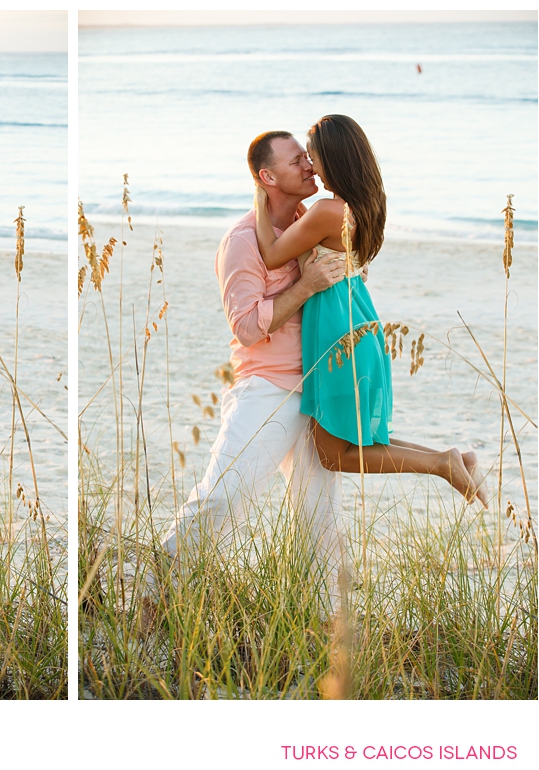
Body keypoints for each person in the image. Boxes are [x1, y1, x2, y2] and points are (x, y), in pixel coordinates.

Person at [159, 130, 350, 610]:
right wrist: (304, 287)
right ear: (268, 177)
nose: (310, 166)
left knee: (320, 519)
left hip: (319, 387)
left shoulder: (312, 223)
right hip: (268, 388)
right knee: (222, 498)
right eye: (296, 161)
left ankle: (326, 624)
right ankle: (151, 590)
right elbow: (246, 327)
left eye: (308, 158)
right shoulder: (242, 242)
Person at [253, 115, 487, 505]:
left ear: (335, 159)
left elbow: (273, 255)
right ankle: (449, 459)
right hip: (357, 324)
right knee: (358, 439)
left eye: (314, 158)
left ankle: (443, 465)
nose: (311, 168)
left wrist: (260, 200)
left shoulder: (329, 211)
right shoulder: (366, 206)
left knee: (333, 454)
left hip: (337, 335)